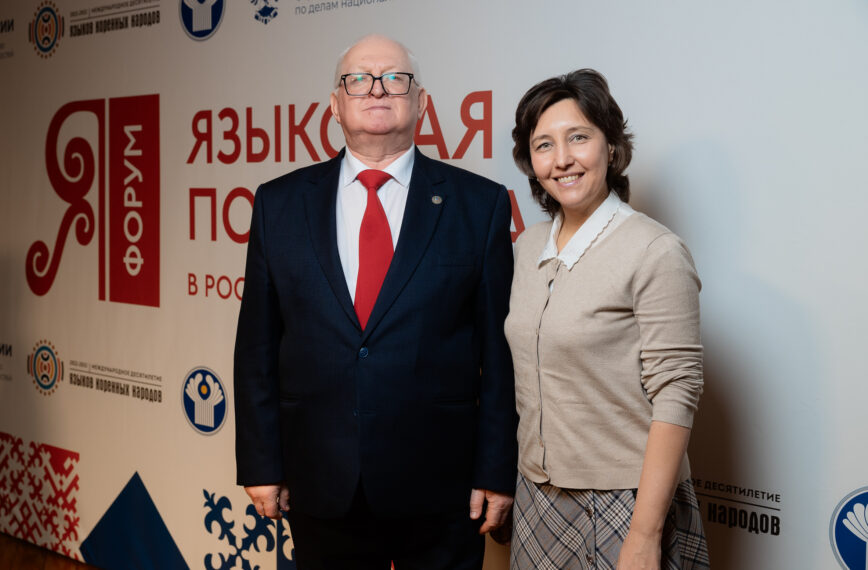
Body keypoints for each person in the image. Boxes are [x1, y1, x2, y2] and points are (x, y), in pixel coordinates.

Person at [233, 35, 518, 569]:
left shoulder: (479, 205)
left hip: (444, 486)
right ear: (334, 104)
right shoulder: (279, 203)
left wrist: (497, 470)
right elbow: (257, 347)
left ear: (421, 102)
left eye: (395, 78)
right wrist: (261, 462)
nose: (377, 89)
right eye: (358, 79)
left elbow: (500, 358)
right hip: (320, 479)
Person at [505, 69, 711, 570]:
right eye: (544, 145)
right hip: (536, 496)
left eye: (579, 137)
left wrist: (644, 535)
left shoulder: (655, 250)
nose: (562, 159)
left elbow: (677, 391)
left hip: (628, 500)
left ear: (612, 147)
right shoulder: (527, 247)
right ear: (531, 163)